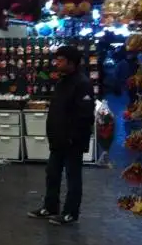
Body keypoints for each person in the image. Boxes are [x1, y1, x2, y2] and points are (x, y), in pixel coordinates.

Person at [29, 45, 95, 225]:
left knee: (73, 178)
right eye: (56, 59)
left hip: (72, 141)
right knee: (52, 173)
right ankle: (50, 207)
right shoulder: (61, 82)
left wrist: (73, 137)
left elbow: (85, 115)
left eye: (61, 60)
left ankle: (70, 213)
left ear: (71, 63)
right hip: (58, 140)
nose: (56, 62)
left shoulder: (83, 84)